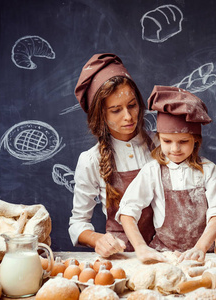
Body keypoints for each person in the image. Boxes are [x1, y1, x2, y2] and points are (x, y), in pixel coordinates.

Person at [116, 85, 216, 263]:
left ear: (196, 141)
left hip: (204, 253)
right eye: (167, 141)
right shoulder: (152, 170)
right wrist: (141, 247)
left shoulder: (209, 169)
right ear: (159, 138)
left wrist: (201, 247)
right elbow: (127, 211)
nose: (175, 149)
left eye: (183, 141)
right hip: (164, 254)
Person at [68, 53, 156, 257]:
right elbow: (77, 223)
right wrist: (98, 239)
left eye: (132, 105)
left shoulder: (163, 144)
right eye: (116, 110)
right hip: (123, 257)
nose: (128, 116)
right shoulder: (91, 160)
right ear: (101, 115)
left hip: (170, 252)